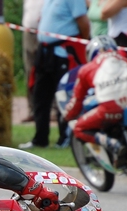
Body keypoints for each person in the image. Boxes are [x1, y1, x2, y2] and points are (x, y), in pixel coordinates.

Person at [61, 35, 127, 166]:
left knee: (78, 128)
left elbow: (77, 101)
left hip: (110, 107)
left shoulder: (85, 70)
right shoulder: (125, 60)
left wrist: (67, 116)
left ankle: (114, 145)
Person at [19, 0, 89, 150]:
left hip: (62, 53)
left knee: (63, 96)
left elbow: (83, 23)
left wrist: (82, 44)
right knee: (40, 95)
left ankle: (65, 137)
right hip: (45, 53)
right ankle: (40, 138)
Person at [21, 0, 43, 123]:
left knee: (46, 72)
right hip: (28, 30)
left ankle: (53, 110)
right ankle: (32, 110)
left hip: (45, 31)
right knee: (29, 73)